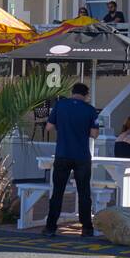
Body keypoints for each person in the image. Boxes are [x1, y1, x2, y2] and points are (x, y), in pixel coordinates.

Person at [43, 82, 102, 236]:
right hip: (82, 155)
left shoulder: (60, 105)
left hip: (62, 153)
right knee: (83, 192)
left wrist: (62, 127)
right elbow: (95, 134)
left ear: (72, 92)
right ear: (86, 95)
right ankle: (87, 227)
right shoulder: (90, 110)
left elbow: (48, 127)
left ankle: (50, 227)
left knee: (57, 191)